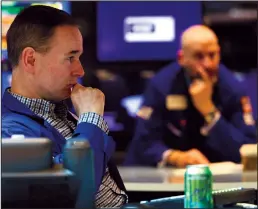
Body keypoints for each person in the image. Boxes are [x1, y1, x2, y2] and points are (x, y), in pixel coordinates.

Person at [1, 5, 127, 208]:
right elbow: (72, 193)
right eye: (70, 58)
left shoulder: (60, 110)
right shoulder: (10, 132)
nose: (80, 70)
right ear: (30, 60)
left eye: (79, 57)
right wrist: (91, 120)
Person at [124, 25, 256, 168]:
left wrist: (208, 110)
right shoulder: (162, 85)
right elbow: (143, 142)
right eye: (199, 56)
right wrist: (175, 157)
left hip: (216, 178)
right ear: (181, 58)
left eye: (212, 55)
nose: (208, 64)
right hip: (164, 177)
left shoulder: (233, 88)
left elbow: (247, 150)